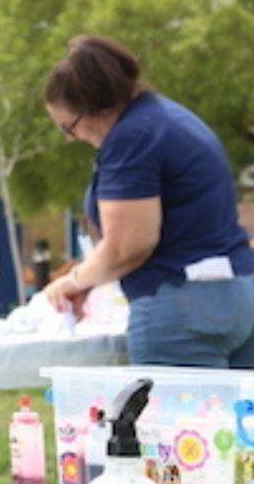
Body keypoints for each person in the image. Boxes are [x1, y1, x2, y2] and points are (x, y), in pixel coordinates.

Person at [41, 34, 254, 367]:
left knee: (177, 420)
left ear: (92, 108)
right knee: (240, 419)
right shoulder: (171, 118)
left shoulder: (131, 138)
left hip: (181, 305)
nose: (73, 139)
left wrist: (73, 281)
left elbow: (128, 247)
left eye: (69, 128)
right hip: (238, 293)